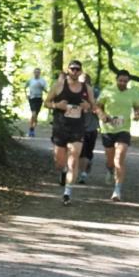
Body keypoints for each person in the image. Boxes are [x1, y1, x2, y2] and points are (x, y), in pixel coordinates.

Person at [44, 60, 95, 205]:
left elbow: (94, 106)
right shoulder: (59, 86)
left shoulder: (87, 88)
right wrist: (56, 105)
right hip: (60, 127)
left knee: (74, 159)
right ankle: (63, 171)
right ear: (68, 70)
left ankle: (67, 193)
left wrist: (88, 106)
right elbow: (46, 102)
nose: (74, 71)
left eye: (77, 69)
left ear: (80, 71)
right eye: (72, 69)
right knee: (59, 163)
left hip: (77, 128)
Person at [95, 69, 139, 202]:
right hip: (108, 129)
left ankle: (117, 190)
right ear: (116, 80)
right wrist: (102, 114)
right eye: (120, 80)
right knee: (110, 161)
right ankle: (110, 170)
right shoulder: (108, 91)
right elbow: (97, 106)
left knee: (119, 158)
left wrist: (137, 114)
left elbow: (137, 107)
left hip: (124, 129)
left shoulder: (132, 93)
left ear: (128, 82)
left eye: (125, 81)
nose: (122, 83)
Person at [78, 74, 101, 184]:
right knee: (81, 151)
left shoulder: (96, 93)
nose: (84, 84)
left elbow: (101, 108)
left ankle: (87, 166)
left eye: (86, 81)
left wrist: (91, 106)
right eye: (82, 81)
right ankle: (82, 174)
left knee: (88, 151)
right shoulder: (74, 92)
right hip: (79, 127)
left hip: (92, 126)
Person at [26, 67, 49, 137]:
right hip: (32, 98)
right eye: (35, 72)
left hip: (39, 98)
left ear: (40, 73)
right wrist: (26, 95)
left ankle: (32, 129)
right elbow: (25, 87)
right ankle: (31, 129)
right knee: (34, 114)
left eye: (38, 72)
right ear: (33, 73)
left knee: (36, 115)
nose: (37, 73)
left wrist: (42, 87)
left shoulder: (42, 81)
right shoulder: (30, 80)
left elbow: (46, 90)